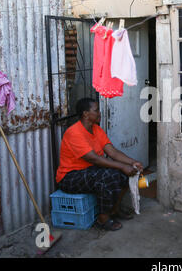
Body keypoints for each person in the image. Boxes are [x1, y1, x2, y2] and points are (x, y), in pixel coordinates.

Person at [55, 97, 143, 231]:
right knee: (108, 175)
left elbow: (112, 152)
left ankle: (114, 209)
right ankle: (103, 219)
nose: (100, 113)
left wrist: (132, 162)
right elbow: (94, 159)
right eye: (96, 110)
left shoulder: (96, 129)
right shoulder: (74, 132)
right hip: (69, 177)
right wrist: (122, 166)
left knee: (124, 173)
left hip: (89, 171)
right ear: (86, 114)